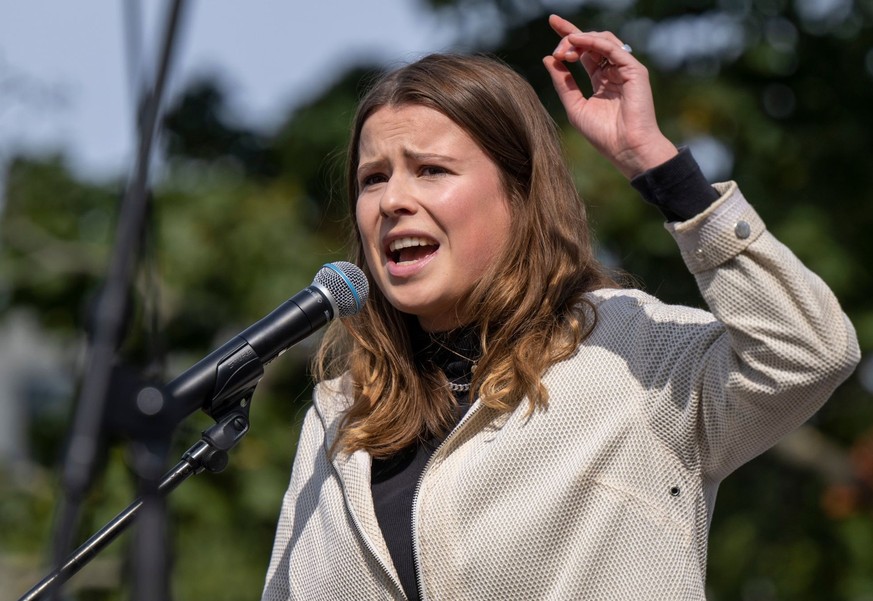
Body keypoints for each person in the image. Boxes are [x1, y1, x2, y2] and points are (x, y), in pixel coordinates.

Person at [261, 14, 860, 600]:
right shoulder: (343, 411)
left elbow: (807, 351)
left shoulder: (633, 355)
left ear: (521, 196)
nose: (392, 200)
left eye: (431, 170)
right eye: (372, 178)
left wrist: (658, 164)